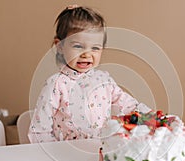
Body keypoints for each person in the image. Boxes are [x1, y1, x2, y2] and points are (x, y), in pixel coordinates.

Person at [28, 5, 151, 143]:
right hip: (65, 152)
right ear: (60, 46)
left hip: (99, 149)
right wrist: (56, 153)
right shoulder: (57, 84)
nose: (86, 54)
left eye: (95, 48)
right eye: (78, 46)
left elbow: (127, 104)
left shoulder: (104, 80)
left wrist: (149, 115)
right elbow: (39, 130)